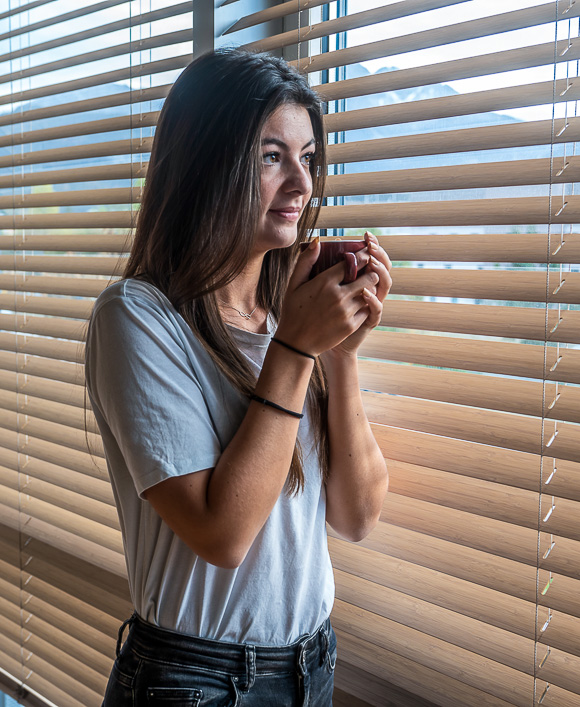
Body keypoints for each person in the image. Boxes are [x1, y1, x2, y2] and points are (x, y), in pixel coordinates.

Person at [85, 48, 391, 706]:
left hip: (310, 662)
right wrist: (297, 348)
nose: (302, 185)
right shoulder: (138, 318)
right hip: (194, 682)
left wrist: (341, 351)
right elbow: (222, 534)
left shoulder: (293, 321)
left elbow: (356, 514)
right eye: (272, 156)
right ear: (207, 164)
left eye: (307, 157)